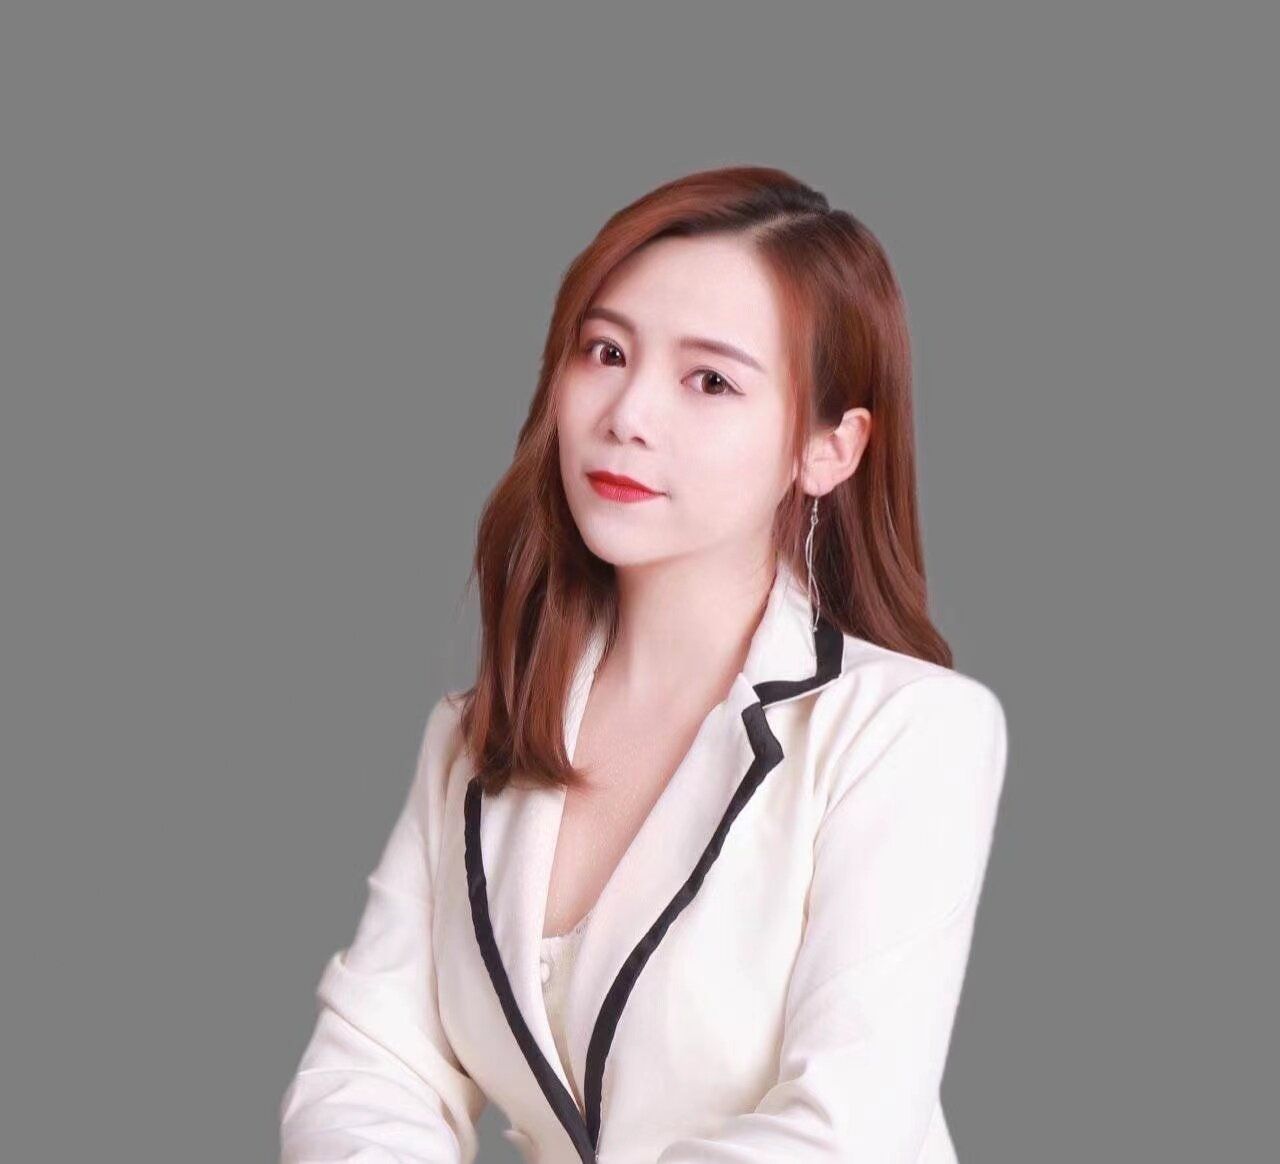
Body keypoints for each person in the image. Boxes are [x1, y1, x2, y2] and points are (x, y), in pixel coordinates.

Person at [279, 164, 1010, 1164]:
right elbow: (369, 1069)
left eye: (709, 380)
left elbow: (840, 1133)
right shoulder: (475, 735)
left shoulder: (908, 730)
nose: (627, 413)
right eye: (606, 351)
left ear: (829, 449)